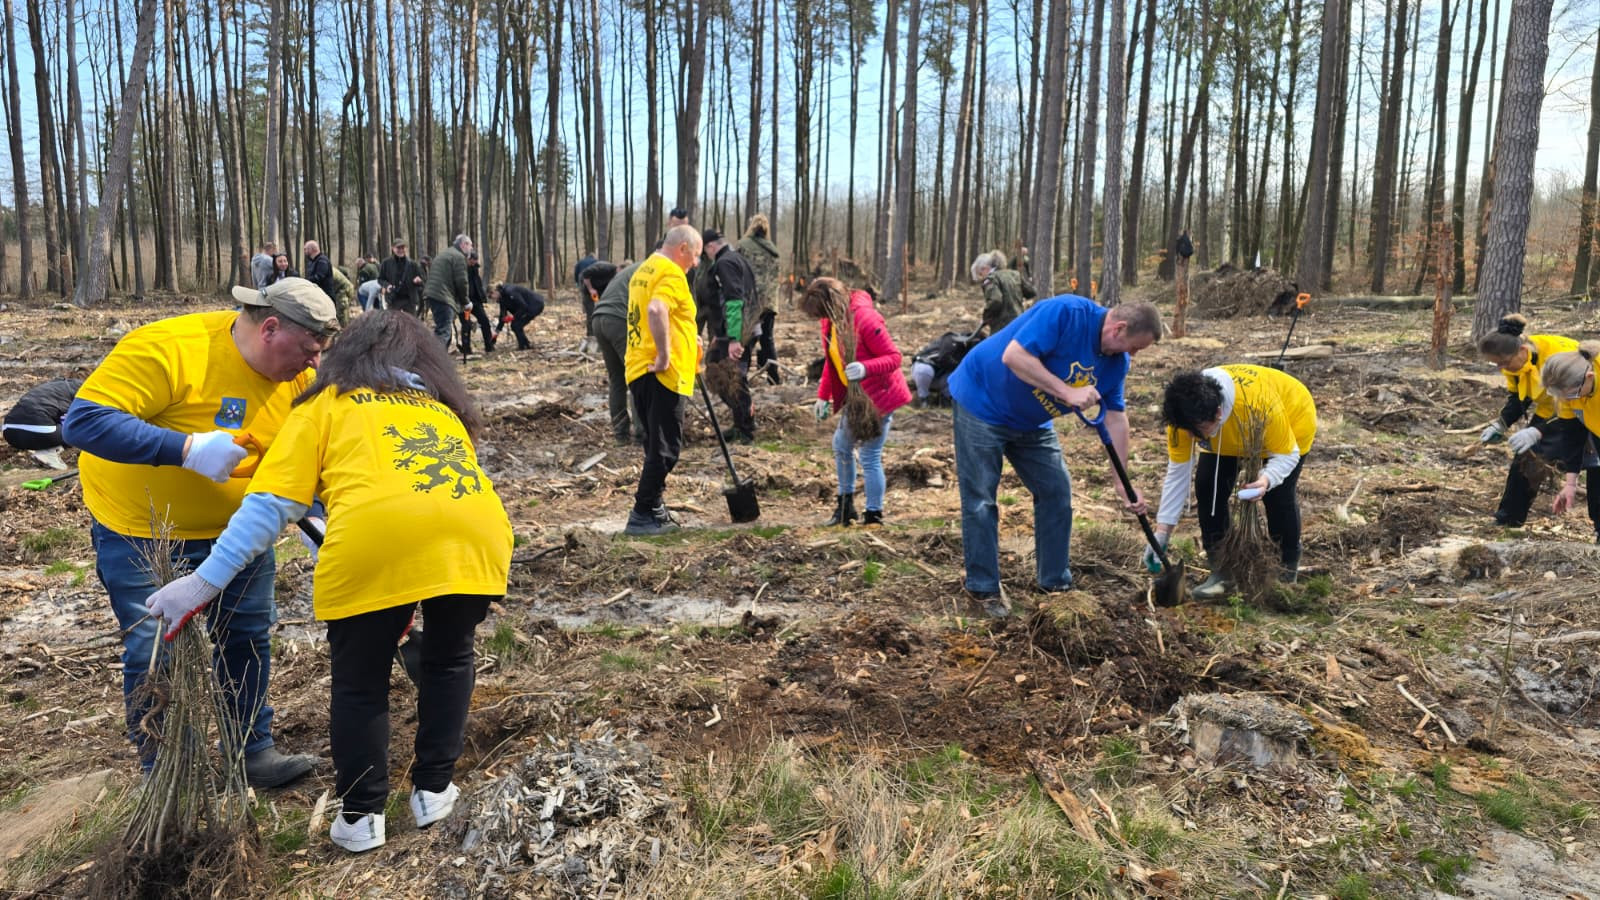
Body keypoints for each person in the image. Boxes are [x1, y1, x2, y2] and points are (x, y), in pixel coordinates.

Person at [142, 310, 512, 853]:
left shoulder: (326, 404)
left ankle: (362, 817)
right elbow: (429, 498)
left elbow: (271, 505)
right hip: (477, 535)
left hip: (376, 541)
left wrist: (201, 584)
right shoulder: (441, 410)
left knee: (360, 682)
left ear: (346, 355)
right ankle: (434, 791)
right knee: (451, 658)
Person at [59, 278, 337, 788]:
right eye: (309, 351)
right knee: (154, 648)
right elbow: (83, 422)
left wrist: (314, 513)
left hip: (238, 534)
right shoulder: (169, 350)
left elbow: (302, 456)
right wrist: (185, 450)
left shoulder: (297, 381)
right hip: (142, 533)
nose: (314, 366)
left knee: (248, 637)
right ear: (270, 328)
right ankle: (168, 772)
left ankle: (251, 752)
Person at [946, 296, 1162, 617]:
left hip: (1032, 421)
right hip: (982, 402)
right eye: (1135, 347)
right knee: (981, 500)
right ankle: (983, 589)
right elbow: (1014, 356)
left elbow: (1115, 417)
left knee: (1056, 491)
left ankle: (1055, 584)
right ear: (1119, 329)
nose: (1133, 355)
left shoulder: (1116, 364)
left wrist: (1122, 484)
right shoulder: (1067, 313)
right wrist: (1066, 392)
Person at [1152, 365, 1317, 599]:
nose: (1190, 438)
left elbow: (1286, 454)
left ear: (1218, 413)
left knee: (1278, 495)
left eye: (1196, 431)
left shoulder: (1260, 405)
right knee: (1208, 486)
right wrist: (1162, 532)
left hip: (1291, 419)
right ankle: (1221, 571)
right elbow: (1178, 474)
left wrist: (1266, 479)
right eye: (1186, 431)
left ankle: (1286, 569)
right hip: (1227, 436)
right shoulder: (1185, 417)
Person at [1476, 315, 1600, 535]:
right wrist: (1501, 424)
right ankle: (1509, 520)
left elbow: (1569, 408)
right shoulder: (1520, 365)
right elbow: (1521, 399)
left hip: (1587, 405)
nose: (1502, 368)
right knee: (1527, 457)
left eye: (1503, 362)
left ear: (1522, 351)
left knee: (1596, 468)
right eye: (1497, 364)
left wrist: (1538, 430)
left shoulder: (1557, 357)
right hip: (1567, 408)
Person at [802, 278, 910, 526]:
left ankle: (873, 514)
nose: (821, 318)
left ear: (833, 303)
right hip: (857, 397)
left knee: (869, 454)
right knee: (841, 445)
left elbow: (894, 357)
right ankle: (845, 507)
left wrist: (865, 367)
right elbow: (832, 362)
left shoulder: (864, 318)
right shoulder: (830, 321)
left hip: (878, 396)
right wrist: (822, 396)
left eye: (822, 312)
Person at [624, 225, 702, 535]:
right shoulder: (672, 273)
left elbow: (652, 312)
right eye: (695, 256)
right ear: (683, 248)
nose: (695, 263)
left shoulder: (644, 269)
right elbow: (657, 310)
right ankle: (642, 513)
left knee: (655, 445)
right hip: (663, 375)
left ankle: (654, 508)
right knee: (667, 448)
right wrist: (666, 354)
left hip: (638, 368)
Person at [698, 228, 760, 443]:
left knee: (731, 379)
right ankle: (741, 424)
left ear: (710, 246)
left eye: (705, 252)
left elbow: (734, 300)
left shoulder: (724, 264)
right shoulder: (737, 259)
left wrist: (734, 339)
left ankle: (746, 429)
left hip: (740, 332)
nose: (706, 256)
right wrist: (720, 335)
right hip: (739, 330)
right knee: (728, 375)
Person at [594, 260, 643, 444]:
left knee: (617, 378)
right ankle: (642, 433)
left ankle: (621, 434)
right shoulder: (655, 270)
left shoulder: (633, 269)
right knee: (637, 375)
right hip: (618, 319)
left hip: (599, 318)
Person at [738, 214, 782, 385]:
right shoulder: (773, 249)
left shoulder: (743, 246)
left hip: (751, 302)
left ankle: (742, 377)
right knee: (767, 340)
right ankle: (774, 378)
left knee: (747, 339)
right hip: (769, 303)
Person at [909, 328, 986, 408]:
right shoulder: (951, 339)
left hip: (941, 377)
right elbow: (944, 359)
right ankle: (923, 398)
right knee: (924, 370)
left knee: (957, 377)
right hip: (923, 369)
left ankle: (946, 399)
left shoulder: (968, 356)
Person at [3, 378, 84, 450]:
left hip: (9, 432)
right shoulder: (85, 392)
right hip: (41, 432)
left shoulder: (55, 384)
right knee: (81, 428)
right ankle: (47, 452)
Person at [423, 235, 472, 349]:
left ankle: (439, 359)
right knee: (443, 332)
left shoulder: (445, 253)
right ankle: (434, 361)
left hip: (432, 294)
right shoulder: (459, 257)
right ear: (463, 244)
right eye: (470, 245)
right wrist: (466, 302)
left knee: (444, 329)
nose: (471, 248)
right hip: (442, 297)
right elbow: (461, 282)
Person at [971, 250, 1036, 332]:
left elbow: (995, 300)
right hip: (1019, 322)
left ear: (985, 268)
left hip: (1002, 327)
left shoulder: (991, 279)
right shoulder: (1015, 275)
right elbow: (1031, 292)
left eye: (981, 273)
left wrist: (986, 317)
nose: (982, 276)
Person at [489, 280, 547, 351]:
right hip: (525, 307)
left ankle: (524, 346)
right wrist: (496, 334)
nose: (492, 299)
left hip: (535, 304)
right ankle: (525, 344)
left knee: (516, 325)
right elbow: (502, 318)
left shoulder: (510, 291)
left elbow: (523, 306)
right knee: (516, 325)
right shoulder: (502, 298)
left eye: (490, 296)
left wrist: (512, 317)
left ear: (494, 291)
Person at [303, 240, 347, 326]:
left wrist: (305, 282)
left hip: (326, 296)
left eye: (306, 249)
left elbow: (319, 277)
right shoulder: (312, 262)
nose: (304, 252)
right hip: (317, 296)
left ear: (312, 249)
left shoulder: (322, 261)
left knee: (328, 321)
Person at [460, 251, 497, 354]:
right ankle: (466, 349)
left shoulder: (475, 270)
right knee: (466, 324)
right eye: (472, 261)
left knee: (485, 321)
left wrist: (482, 297)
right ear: (468, 259)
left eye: (475, 261)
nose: (473, 263)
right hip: (465, 303)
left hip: (476, 303)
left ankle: (489, 346)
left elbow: (478, 285)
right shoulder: (461, 270)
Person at [379, 240, 425, 316]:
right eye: (398, 248)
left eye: (402, 247)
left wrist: (418, 281)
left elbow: (422, 281)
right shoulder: (386, 263)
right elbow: (380, 279)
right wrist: (387, 285)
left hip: (409, 299)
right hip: (393, 299)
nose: (401, 250)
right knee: (393, 323)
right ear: (393, 248)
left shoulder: (413, 264)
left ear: (406, 249)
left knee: (411, 324)